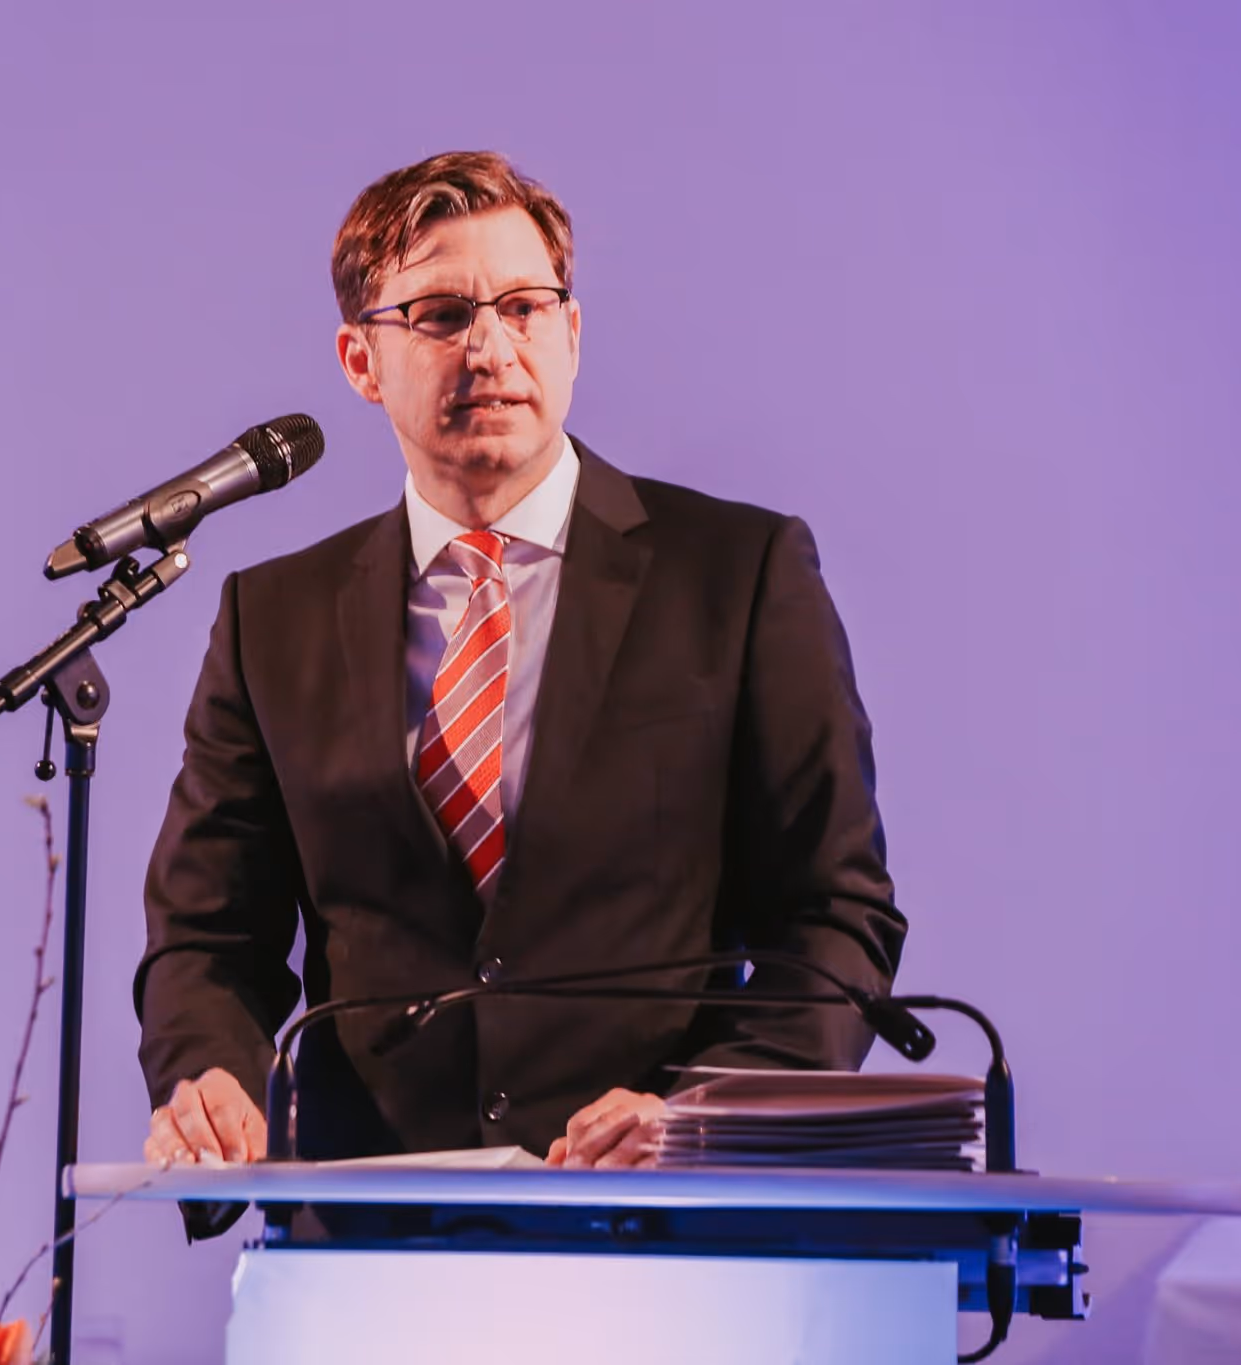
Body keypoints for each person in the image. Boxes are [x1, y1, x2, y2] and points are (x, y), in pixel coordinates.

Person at [134, 150, 904, 1185]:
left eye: (524, 307)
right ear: (360, 361)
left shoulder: (738, 575)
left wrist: (700, 1113)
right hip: (365, 1237)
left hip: (664, 1225)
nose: (490, 346)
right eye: (440, 314)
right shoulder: (271, 618)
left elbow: (832, 913)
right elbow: (207, 937)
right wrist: (210, 1077)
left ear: (571, 335)